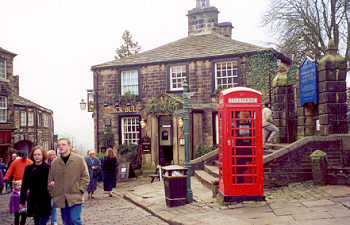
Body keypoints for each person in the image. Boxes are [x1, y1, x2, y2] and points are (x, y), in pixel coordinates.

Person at [48, 138, 89, 225]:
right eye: (59, 145)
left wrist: (80, 189)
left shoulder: (79, 160)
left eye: (63, 144)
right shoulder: (55, 163)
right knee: (66, 221)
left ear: (69, 146)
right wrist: (52, 191)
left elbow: (85, 177)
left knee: (75, 219)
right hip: (61, 197)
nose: (61, 147)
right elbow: (50, 179)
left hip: (75, 196)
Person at [20, 146, 51, 225]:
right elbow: (24, 186)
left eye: (39, 154)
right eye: (35, 155)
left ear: (43, 155)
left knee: (43, 220)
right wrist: (22, 201)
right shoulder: (28, 168)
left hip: (45, 199)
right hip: (33, 199)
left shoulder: (48, 168)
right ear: (32, 156)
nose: (37, 156)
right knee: (37, 221)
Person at [47, 150, 58, 225]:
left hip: (55, 188)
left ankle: (54, 221)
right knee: (48, 205)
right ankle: (47, 218)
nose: (53, 156)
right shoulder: (45, 164)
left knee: (54, 206)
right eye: (51, 155)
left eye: (54, 154)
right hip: (47, 188)